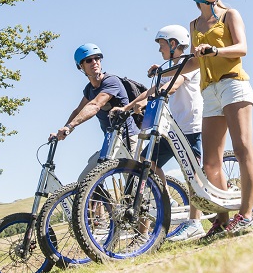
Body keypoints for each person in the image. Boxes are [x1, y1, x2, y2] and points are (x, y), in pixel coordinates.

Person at [180, 0, 253, 238]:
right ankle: (221, 219)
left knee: (242, 148)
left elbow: (242, 48)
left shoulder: (229, 14)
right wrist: (167, 68)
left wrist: (215, 50)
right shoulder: (193, 25)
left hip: (233, 85)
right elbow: (194, 60)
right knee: (210, 163)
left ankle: (246, 215)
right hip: (209, 92)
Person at [112, 25, 205, 242]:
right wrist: (129, 107)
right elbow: (152, 90)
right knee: (147, 160)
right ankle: (164, 198)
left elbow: (172, 86)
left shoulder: (186, 65)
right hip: (173, 129)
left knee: (193, 175)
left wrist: (149, 100)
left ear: (173, 44)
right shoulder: (171, 67)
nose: (159, 50)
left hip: (191, 127)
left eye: (162, 45)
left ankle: (195, 223)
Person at [54, 43, 140, 182]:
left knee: (134, 185)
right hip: (111, 142)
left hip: (128, 139)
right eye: (89, 60)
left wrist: (70, 127)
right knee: (85, 180)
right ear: (80, 66)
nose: (94, 62)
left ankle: (168, 203)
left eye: (97, 58)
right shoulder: (89, 89)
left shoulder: (111, 81)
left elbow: (95, 105)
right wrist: (64, 130)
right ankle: (101, 203)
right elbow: (78, 110)